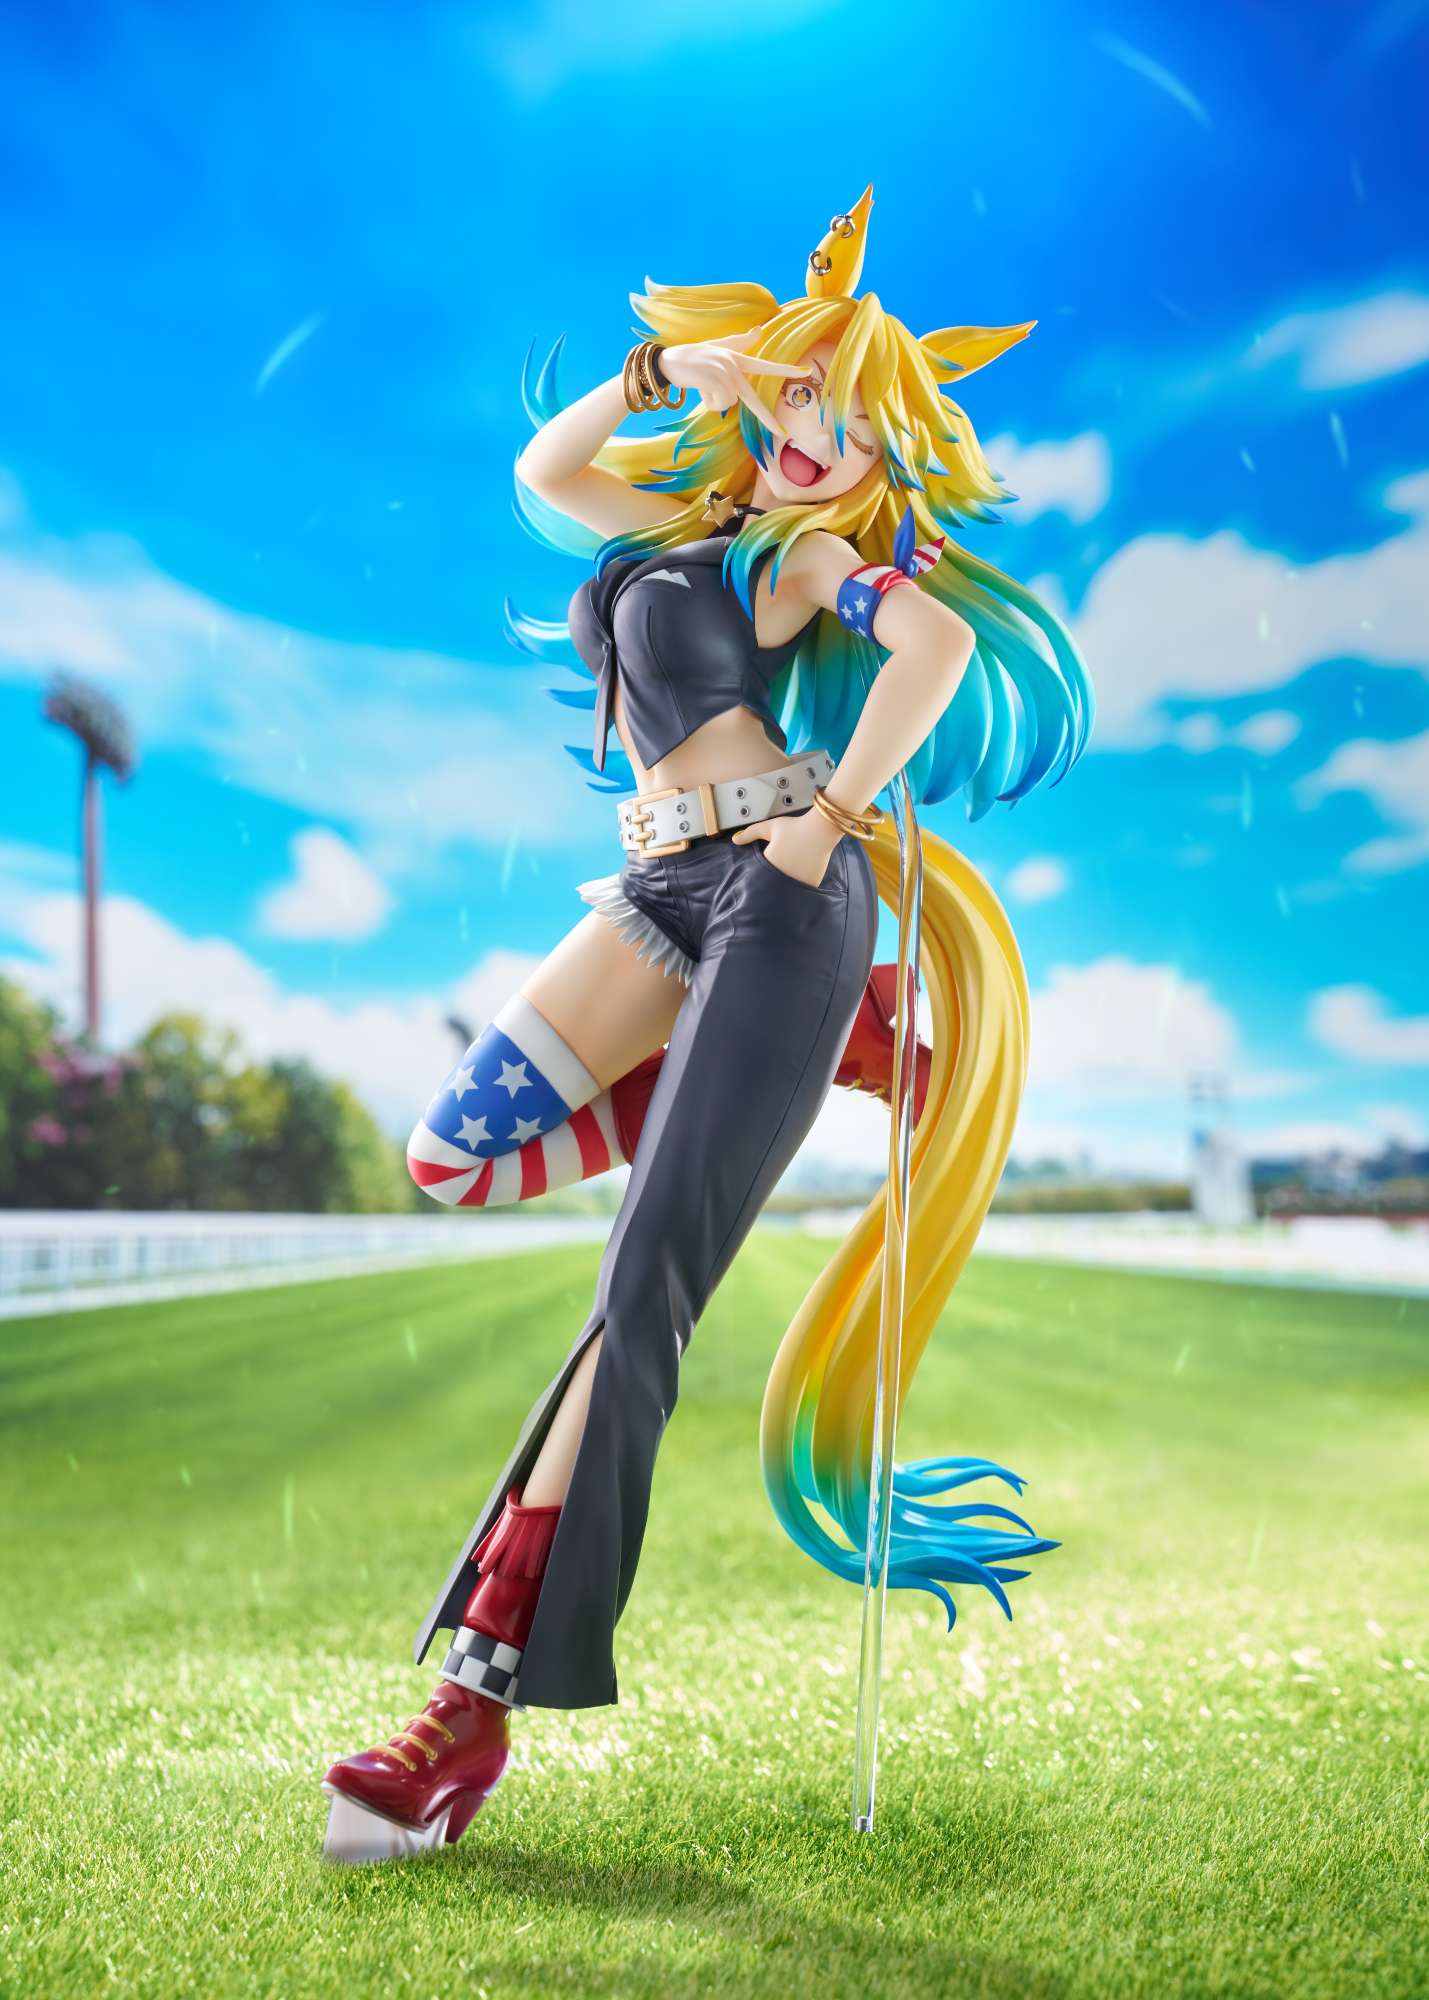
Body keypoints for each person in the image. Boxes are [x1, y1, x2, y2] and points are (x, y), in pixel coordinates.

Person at [321, 186, 1094, 1862]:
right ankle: (843, 1047)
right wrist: (672, 369)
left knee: (638, 1292)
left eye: (851, 420)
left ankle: (469, 1711)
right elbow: (545, 475)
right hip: (660, 895)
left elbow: (935, 643)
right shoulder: (678, 530)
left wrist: (831, 822)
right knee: (452, 1155)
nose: (818, 435)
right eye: (804, 396)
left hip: (779, 896)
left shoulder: (803, 556)